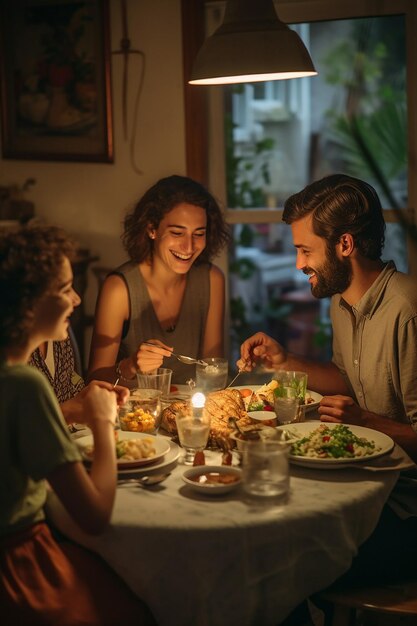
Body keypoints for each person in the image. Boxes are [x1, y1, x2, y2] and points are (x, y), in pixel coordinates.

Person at [238, 173, 417, 585]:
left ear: (345, 245)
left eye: (305, 250)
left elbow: (370, 416)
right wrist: (285, 361)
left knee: (279, 557)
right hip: (367, 485)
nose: (299, 264)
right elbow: (346, 380)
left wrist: (366, 422)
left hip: (406, 508)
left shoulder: (406, 312)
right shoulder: (342, 300)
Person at [0, 225, 156, 625]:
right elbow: (94, 516)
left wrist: (83, 405)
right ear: (29, 303)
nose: (78, 298)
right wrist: (103, 424)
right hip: (20, 569)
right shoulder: (24, 384)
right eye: (66, 289)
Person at [88, 174, 231, 385]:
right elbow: (94, 381)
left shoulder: (212, 279)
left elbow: (212, 371)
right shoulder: (119, 289)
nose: (189, 247)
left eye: (198, 234)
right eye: (177, 233)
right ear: (151, 229)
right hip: (135, 414)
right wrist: (130, 366)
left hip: (192, 414)